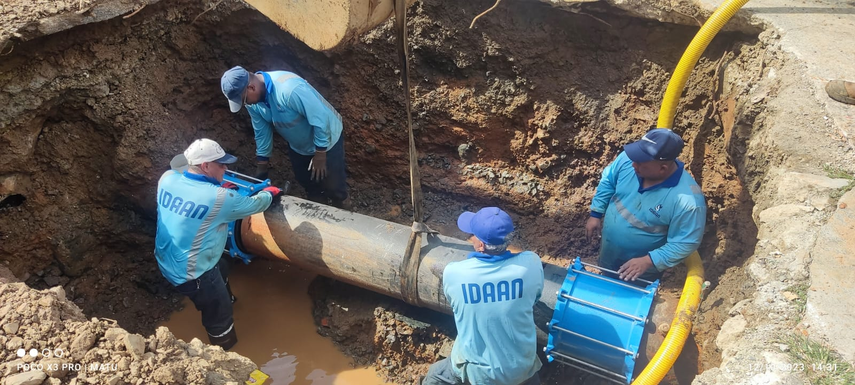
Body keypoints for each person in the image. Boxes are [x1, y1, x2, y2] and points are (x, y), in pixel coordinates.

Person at [155, 138, 282, 350]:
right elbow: (256, 204)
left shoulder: (166, 178)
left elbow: (191, 187)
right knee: (219, 315)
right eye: (221, 164)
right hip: (193, 275)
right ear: (205, 166)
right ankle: (226, 352)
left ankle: (227, 297)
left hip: (165, 260)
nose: (226, 168)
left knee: (222, 266)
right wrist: (270, 193)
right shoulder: (220, 197)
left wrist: (218, 185)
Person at [423, 207, 544, 385]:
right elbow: (534, 298)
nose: (469, 238)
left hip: (483, 376)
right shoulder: (531, 263)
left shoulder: (455, 273)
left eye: (471, 235)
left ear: (480, 245)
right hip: (522, 368)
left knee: (434, 376)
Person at [586, 128, 706, 283]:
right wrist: (595, 213)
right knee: (606, 276)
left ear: (662, 168)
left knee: (631, 294)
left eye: (640, 162)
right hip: (610, 249)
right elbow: (608, 181)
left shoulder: (688, 202)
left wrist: (648, 261)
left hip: (642, 270)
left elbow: (684, 243)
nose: (633, 164)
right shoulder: (629, 161)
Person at [220, 66, 348, 208]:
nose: (246, 104)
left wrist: (320, 153)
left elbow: (321, 119)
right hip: (298, 145)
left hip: (328, 140)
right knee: (310, 185)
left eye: (244, 100)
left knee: (334, 186)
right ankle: (321, 215)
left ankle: (343, 211)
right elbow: (262, 132)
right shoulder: (253, 103)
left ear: (251, 87)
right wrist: (262, 168)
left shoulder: (289, 89)